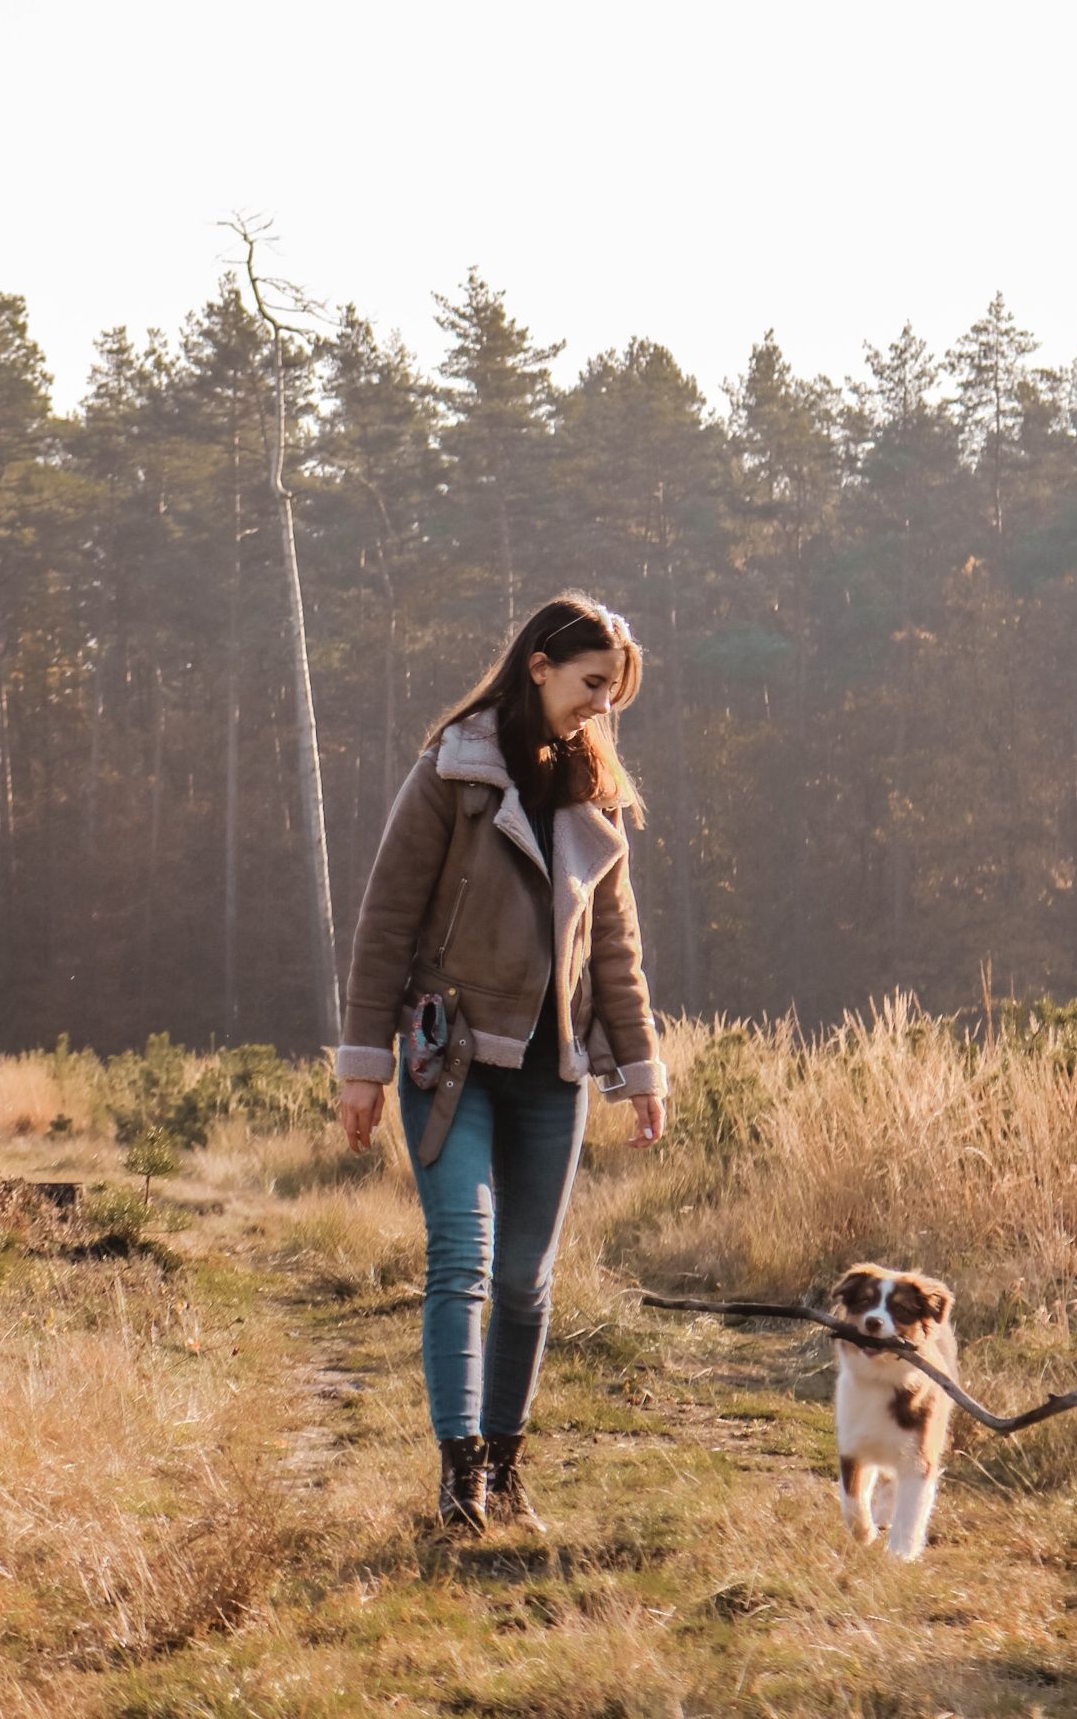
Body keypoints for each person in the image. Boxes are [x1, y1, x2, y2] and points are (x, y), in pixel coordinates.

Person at [335, 593, 668, 1537]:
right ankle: (460, 1476)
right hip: (452, 1063)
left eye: (614, 693)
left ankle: (508, 1465)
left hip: (551, 1076)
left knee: (525, 1280)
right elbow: (386, 920)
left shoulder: (595, 793)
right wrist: (363, 1061)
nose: (602, 706)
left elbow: (615, 947)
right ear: (539, 667)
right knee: (464, 1261)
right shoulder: (453, 771)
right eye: (592, 684)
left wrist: (638, 1069)